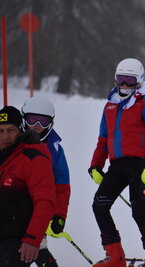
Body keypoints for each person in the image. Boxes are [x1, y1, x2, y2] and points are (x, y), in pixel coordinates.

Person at [88, 58, 145, 267]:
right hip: (118, 166)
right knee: (99, 206)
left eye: (129, 81)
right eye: (120, 80)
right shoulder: (110, 106)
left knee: (138, 210)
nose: (124, 85)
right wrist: (96, 164)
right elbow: (103, 139)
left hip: (141, 165)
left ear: (139, 81)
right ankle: (115, 256)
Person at [0, 106, 56, 266]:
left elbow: (45, 201)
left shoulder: (33, 156)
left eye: (11, 130)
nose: (5, 136)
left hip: (17, 242)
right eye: (1, 130)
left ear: (21, 130)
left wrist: (32, 239)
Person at [21, 96, 71, 267]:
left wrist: (59, 215)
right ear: (23, 119)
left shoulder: (55, 149)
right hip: (13, 207)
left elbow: (62, 186)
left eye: (43, 122)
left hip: (39, 210)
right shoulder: (13, 140)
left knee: (37, 248)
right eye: (32, 120)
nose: (37, 126)